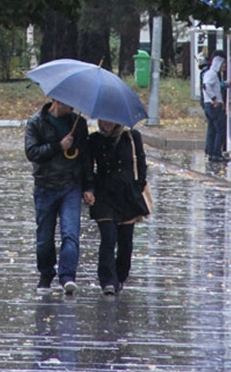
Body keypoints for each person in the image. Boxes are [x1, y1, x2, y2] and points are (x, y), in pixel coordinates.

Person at [25, 99, 93, 295]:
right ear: (56, 100)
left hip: (70, 186)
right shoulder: (36, 122)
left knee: (70, 233)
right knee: (44, 238)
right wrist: (58, 146)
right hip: (45, 186)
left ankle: (68, 276)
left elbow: (85, 156)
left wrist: (88, 186)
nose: (72, 105)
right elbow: (32, 152)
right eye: (67, 101)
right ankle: (46, 274)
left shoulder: (77, 123)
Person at [83, 120, 150, 296]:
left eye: (108, 121)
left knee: (126, 242)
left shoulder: (132, 137)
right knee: (108, 238)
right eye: (101, 120)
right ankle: (107, 281)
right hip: (104, 194)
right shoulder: (94, 140)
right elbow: (88, 167)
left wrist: (138, 186)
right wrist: (88, 189)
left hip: (127, 195)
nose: (104, 124)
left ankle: (120, 276)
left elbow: (141, 164)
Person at [202, 52, 230, 162]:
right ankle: (217, 153)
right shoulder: (212, 74)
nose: (225, 67)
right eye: (223, 65)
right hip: (213, 106)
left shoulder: (209, 74)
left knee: (212, 130)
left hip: (208, 105)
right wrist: (214, 99)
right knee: (220, 129)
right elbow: (206, 86)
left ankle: (210, 152)